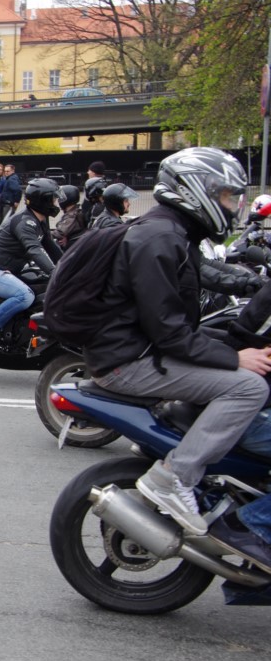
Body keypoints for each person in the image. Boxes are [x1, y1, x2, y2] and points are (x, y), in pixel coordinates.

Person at [84, 148, 270, 536]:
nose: (232, 206)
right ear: (196, 190)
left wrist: (238, 334)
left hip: (135, 351)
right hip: (128, 362)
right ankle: (174, 477)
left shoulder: (172, 233)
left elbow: (202, 286)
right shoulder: (159, 238)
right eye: (226, 196)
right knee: (248, 388)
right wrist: (235, 359)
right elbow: (169, 332)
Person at [0, 178, 64, 351]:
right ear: (42, 201)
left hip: (7, 271)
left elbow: (51, 247)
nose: (56, 203)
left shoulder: (40, 220)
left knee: (40, 285)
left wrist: (70, 266)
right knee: (24, 295)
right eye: (53, 199)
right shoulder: (25, 222)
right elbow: (35, 249)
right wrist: (54, 272)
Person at [51, 185, 88, 249]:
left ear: (67, 199)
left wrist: (45, 234)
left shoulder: (71, 216)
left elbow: (60, 233)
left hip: (72, 248)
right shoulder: (76, 211)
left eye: (61, 198)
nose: (59, 200)